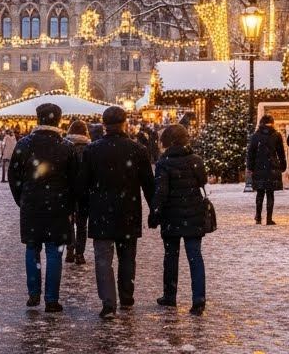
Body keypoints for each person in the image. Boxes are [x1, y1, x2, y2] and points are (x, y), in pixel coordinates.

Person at [78, 106, 154, 319]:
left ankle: (108, 303)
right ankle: (127, 297)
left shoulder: (92, 151)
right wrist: (155, 210)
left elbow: (83, 186)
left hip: (101, 211)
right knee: (127, 256)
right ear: (124, 123)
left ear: (104, 125)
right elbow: (149, 185)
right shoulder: (137, 150)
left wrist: (82, 212)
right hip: (128, 210)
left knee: (103, 258)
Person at [8, 103, 77, 313]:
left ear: (38, 119)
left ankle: (33, 294)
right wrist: (70, 203)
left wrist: (22, 198)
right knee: (55, 252)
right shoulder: (67, 147)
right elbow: (75, 180)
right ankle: (51, 299)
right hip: (59, 205)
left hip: (31, 204)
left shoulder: (24, 144)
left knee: (32, 248)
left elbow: (13, 176)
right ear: (58, 120)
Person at [149, 123, 208, 316]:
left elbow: (161, 192)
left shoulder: (163, 163)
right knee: (195, 257)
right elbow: (203, 181)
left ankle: (170, 295)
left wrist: (155, 213)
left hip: (171, 216)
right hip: (193, 213)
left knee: (171, 256)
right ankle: (198, 299)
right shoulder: (196, 160)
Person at [247, 115, 286, 225]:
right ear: (272, 123)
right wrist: (283, 165)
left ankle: (258, 216)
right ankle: (269, 218)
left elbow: (251, 153)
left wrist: (250, 167)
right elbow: (280, 153)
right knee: (270, 193)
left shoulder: (255, 136)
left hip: (259, 167)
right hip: (272, 167)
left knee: (260, 193)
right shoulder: (276, 135)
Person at [64, 119, 92, 265]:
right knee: (82, 224)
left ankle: (70, 248)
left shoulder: (65, 147)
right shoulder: (90, 147)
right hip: (84, 191)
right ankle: (80, 253)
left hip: (68, 190)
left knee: (69, 222)